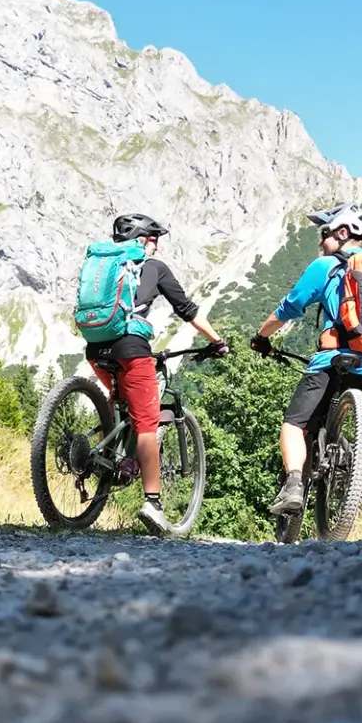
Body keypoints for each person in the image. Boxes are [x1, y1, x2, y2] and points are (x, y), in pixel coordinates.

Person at [249, 202, 362, 540]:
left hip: (333, 361)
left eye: (325, 234)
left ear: (342, 233)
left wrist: (262, 337)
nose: (321, 241)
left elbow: (290, 306)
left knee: (294, 425)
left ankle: (294, 484)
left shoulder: (326, 266)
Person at [85, 212, 229, 534]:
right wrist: (217, 341)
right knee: (147, 423)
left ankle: (110, 457)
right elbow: (187, 310)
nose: (156, 247)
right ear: (141, 240)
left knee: (120, 398)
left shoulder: (104, 266)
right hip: (131, 350)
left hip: (95, 349)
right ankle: (153, 503)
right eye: (154, 240)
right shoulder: (153, 267)